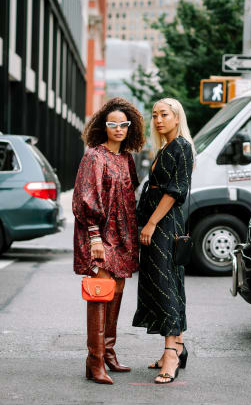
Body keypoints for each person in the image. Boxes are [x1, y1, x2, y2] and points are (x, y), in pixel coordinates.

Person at [72, 97, 145, 384]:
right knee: (100, 293)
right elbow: (84, 199)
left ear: (130, 128)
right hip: (100, 236)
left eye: (123, 124)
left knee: (116, 294)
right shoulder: (94, 155)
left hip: (124, 236)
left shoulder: (127, 158)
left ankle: (110, 353)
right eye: (112, 124)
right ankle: (95, 361)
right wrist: (94, 238)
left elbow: (129, 197)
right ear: (104, 126)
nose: (118, 128)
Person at [132, 98, 195, 384]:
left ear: (176, 116)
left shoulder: (180, 145)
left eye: (164, 114)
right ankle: (176, 347)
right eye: (155, 115)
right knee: (164, 283)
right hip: (158, 222)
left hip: (164, 224)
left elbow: (174, 191)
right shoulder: (166, 146)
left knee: (165, 284)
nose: (158, 120)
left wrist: (152, 223)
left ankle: (171, 355)